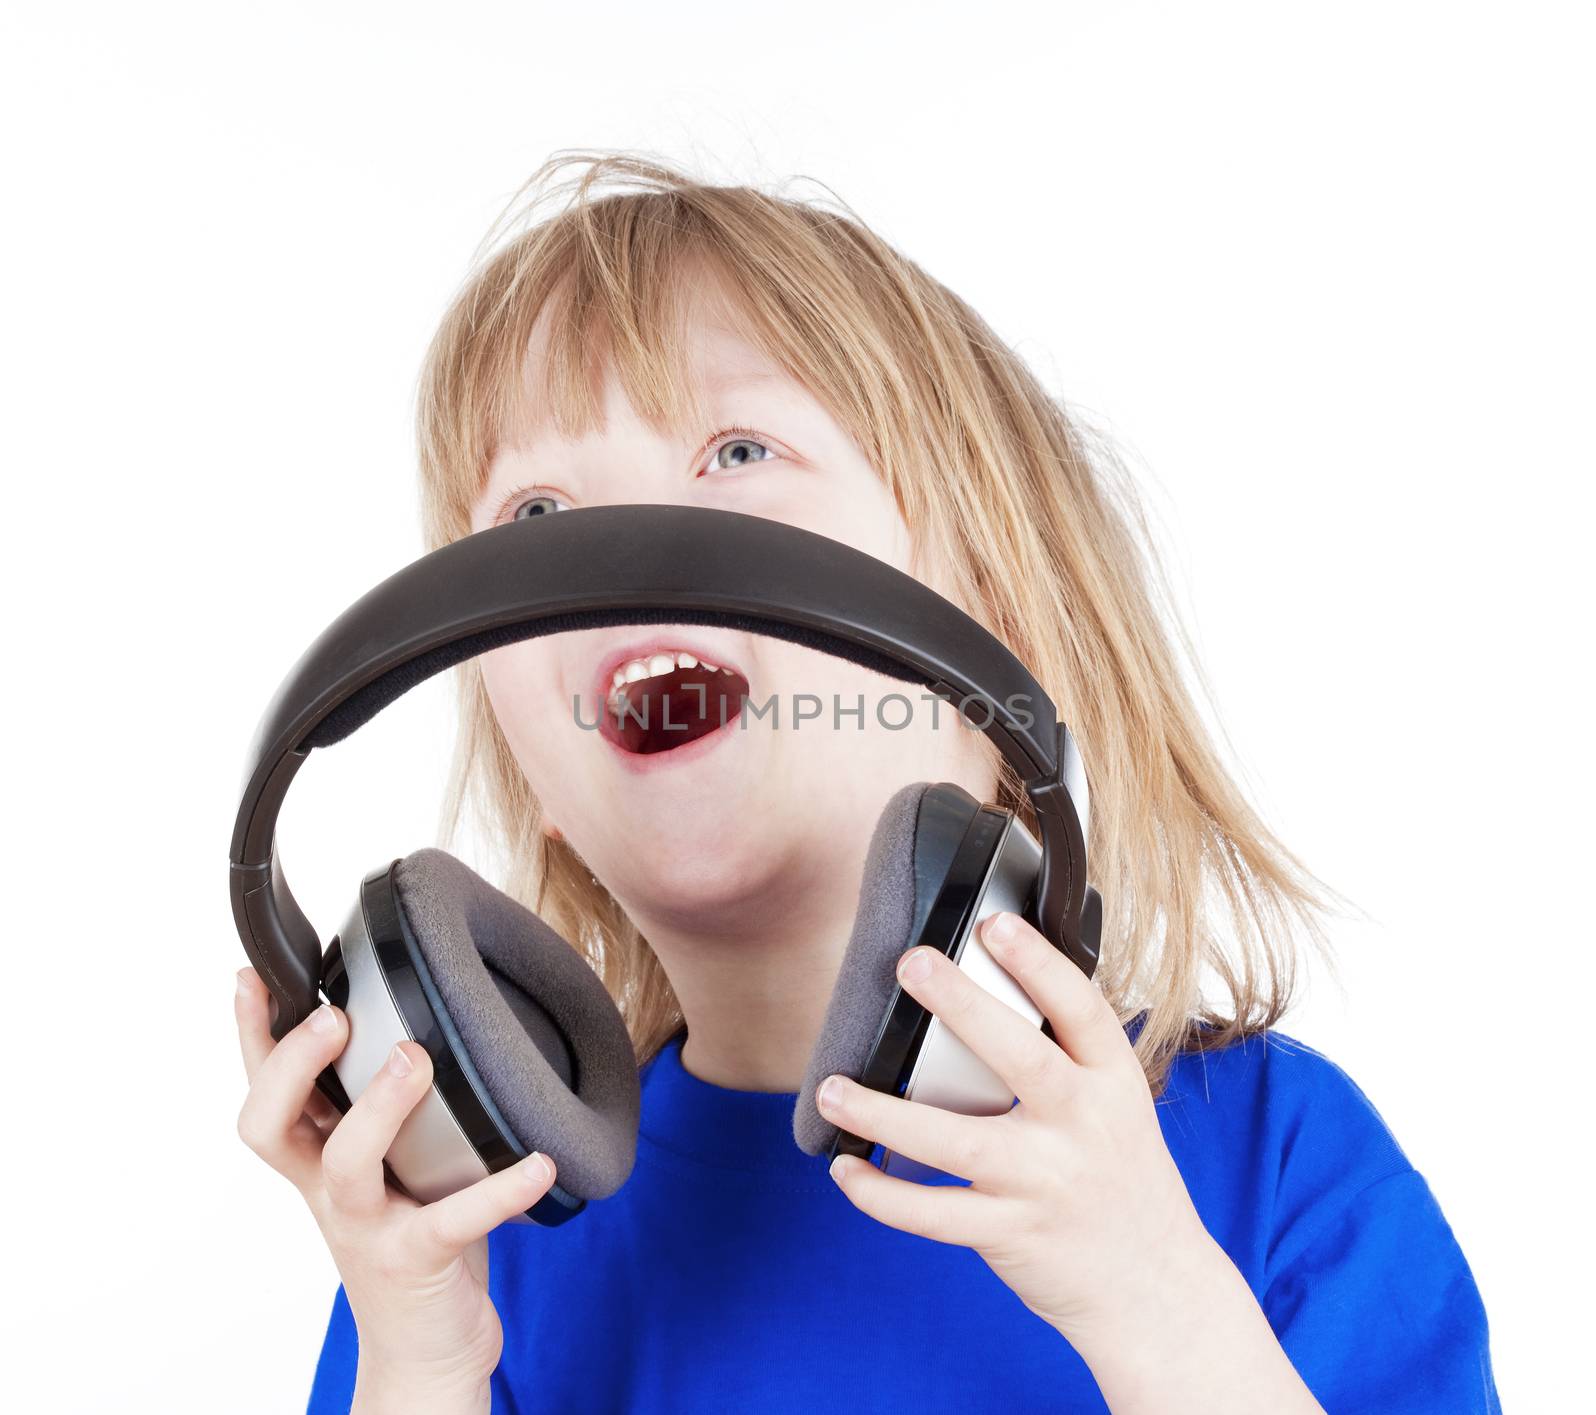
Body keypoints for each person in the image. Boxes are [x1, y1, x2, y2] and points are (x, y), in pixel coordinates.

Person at [233, 153, 1501, 1414]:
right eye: (532, 517)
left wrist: (1152, 1294)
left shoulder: (1267, 1157)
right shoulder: (477, 1235)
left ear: (990, 639)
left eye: (736, 447)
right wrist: (421, 1357)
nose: (616, 555)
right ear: (534, 773)